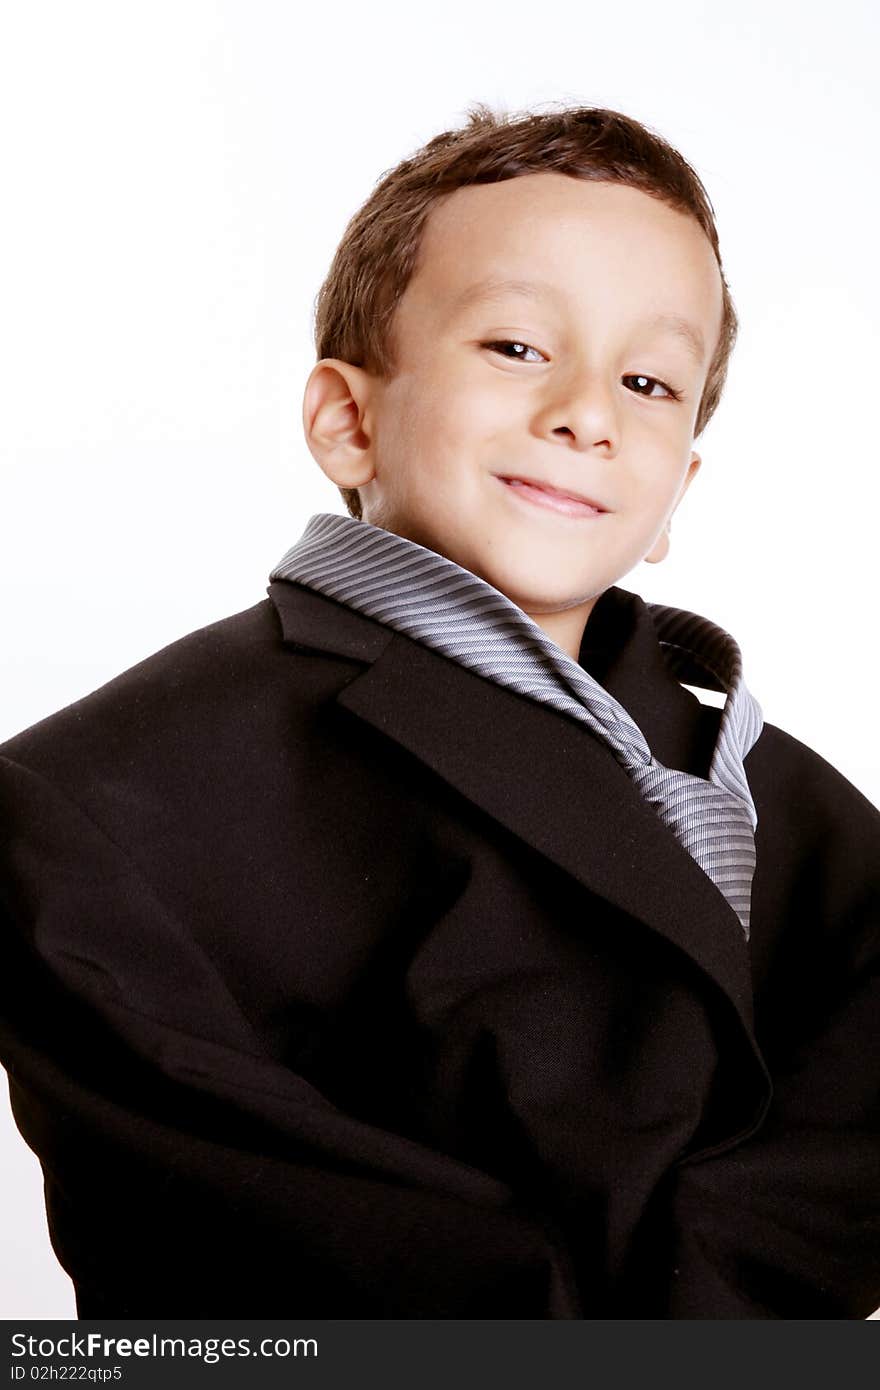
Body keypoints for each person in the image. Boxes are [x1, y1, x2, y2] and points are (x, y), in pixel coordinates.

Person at [1, 102, 878, 1320]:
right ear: (347, 418)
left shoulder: (805, 811)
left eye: (647, 379)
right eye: (517, 347)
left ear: (676, 491)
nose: (588, 411)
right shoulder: (90, 799)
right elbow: (250, 1242)